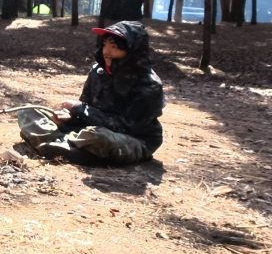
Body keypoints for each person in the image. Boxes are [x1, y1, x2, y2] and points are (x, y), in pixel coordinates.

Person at [17, 20, 164, 165]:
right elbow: (87, 108)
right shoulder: (98, 72)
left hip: (131, 139)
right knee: (28, 112)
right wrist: (71, 117)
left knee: (98, 137)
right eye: (105, 45)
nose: (106, 52)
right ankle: (70, 148)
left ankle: (50, 143)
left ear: (132, 51)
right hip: (86, 131)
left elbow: (125, 127)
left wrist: (79, 109)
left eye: (114, 47)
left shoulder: (149, 85)